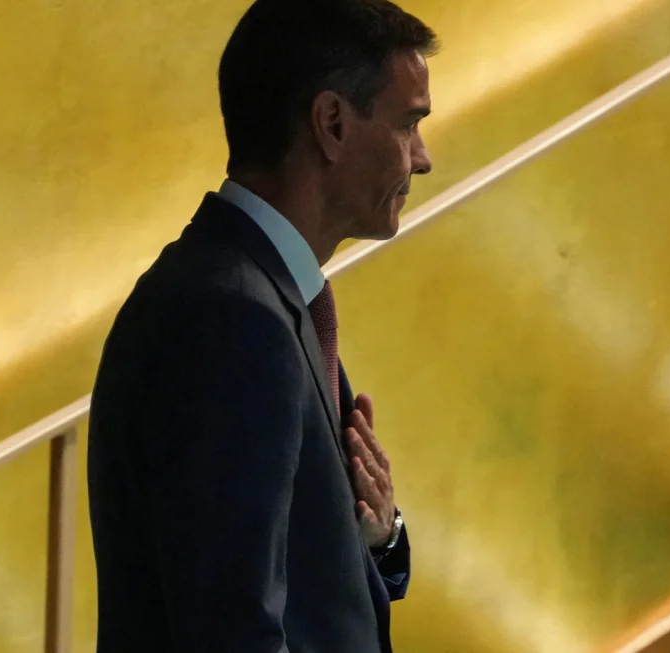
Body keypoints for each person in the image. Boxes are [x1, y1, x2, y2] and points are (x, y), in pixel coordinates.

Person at [86, 1, 437, 651]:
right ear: (331, 123)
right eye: (408, 124)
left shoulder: (259, 300)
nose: (421, 159)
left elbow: (303, 586)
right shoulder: (229, 322)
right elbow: (232, 628)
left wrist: (377, 537)